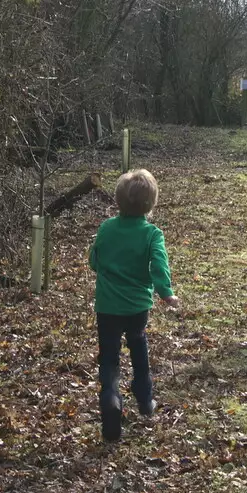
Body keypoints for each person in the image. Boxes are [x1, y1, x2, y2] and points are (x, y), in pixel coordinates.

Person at [88, 169, 180, 442]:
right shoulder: (152, 234)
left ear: (118, 201)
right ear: (151, 204)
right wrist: (166, 293)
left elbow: (94, 261)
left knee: (109, 356)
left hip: (107, 306)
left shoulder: (106, 228)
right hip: (138, 306)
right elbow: (159, 266)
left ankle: (111, 398)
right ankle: (144, 396)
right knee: (138, 344)